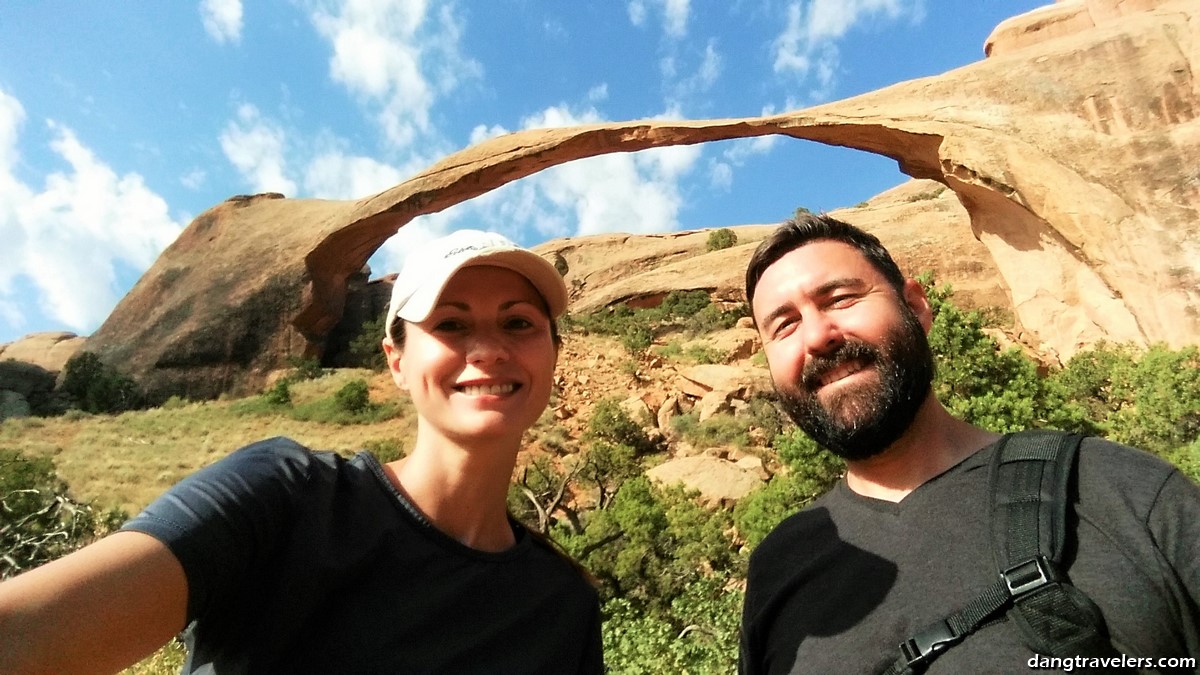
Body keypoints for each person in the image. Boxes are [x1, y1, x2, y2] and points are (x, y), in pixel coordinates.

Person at [0, 229, 604, 674]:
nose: (490, 349)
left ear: (553, 351)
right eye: (450, 324)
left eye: (519, 323)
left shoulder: (561, 606)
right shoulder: (284, 499)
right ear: (395, 361)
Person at [737, 214, 1200, 674]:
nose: (817, 336)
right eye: (785, 325)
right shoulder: (777, 570)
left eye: (840, 298)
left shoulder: (1119, 489)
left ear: (917, 308)